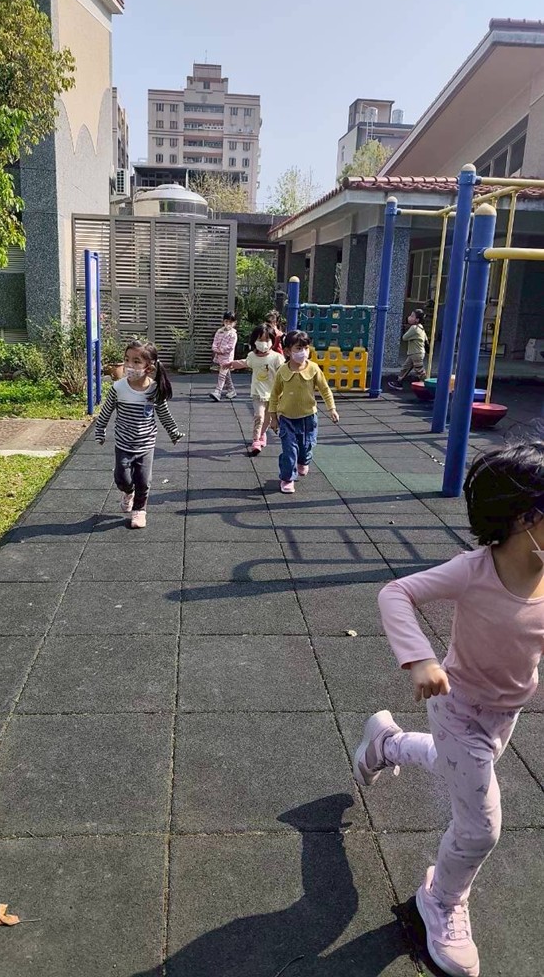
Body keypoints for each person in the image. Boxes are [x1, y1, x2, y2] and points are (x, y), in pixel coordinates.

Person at [353, 440, 544, 977]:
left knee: (450, 764)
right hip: (458, 707)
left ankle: (386, 743)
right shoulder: (474, 570)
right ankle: (440, 900)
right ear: (526, 519)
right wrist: (419, 659)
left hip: (505, 713)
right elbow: (395, 593)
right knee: (480, 827)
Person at [95, 340, 184, 529]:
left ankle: (139, 511)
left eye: (136, 362)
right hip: (123, 444)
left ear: (149, 367)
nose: (129, 365)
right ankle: (128, 493)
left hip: (146, 445)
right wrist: (100, 430)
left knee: (143, 481)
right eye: (127, 360)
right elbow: (106, 411)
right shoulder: (119, 388)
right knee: (122, 478)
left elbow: (164, 413)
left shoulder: (153, 390)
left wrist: (173, 432)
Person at [268, 329, 339, 494]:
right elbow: (274, 395)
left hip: (308, 417)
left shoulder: (313, 368)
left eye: (306, 348)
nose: (303, 352)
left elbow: (325, 390)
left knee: (306, 446)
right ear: (288, 351)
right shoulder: (283, 371)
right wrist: (273, 417)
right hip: (287, 418)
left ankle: (304, 461)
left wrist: (332, 409)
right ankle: (287, 478)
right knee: (289, 450)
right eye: (298, 349)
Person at [230, 323, 285, 454]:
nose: (263, 343)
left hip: (273, 394)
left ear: (272, 340)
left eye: (267, 339)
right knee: (259, 416)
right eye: (260, 340)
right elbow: (244, 362)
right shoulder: (252, 356)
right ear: (255, 341)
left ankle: (262, 434)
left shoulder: (277, 357)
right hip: (258, 393)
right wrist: (231, 364)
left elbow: (284, 373)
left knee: (268, 419)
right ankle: (256, 440)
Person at [388, 308, 429, 390]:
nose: (409, 317)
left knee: (420, 371)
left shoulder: (414, 328)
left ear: (417, 320)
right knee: (405, 368)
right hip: (415, 353)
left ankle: (427, 384)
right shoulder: (421, 327)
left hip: (416, 353)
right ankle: (399, 382)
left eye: (412, 316)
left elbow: (404, 337)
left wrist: (405, 329)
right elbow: (426, 340)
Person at [210, 311, 238, 402]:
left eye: (230, 322)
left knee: (222, 375)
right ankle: (231, 390)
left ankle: (217, 392)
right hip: (219, 356)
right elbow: (215, 341)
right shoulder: (219, 331)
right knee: (226, 374)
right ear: (223, 321)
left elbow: (230, 346)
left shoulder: (233, 334)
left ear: (234, 323)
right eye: (226, 321)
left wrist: (221, 350)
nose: (228, 324)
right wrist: (215, 349)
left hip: (227, 358)